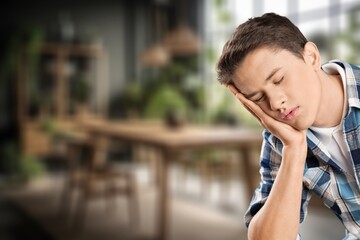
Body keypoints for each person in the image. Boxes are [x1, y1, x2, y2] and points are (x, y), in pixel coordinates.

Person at [216, 12, 360, 239]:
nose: (275, 103)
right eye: (257, 97)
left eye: (278, 80)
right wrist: (294, 150)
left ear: (311, 57)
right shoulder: (279, 141)